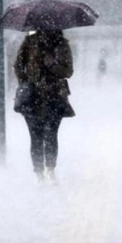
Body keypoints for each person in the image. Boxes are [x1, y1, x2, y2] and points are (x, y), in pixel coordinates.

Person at [14, 29, 75, 183]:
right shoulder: (29, 43)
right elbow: (18, 65)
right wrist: (26, 82)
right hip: (32, 97)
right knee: (35, 136)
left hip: (54, 95)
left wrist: (52, 63)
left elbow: (68, 71)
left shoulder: (62, 44)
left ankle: (50, 169)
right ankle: (39, 172)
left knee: (51, 134)